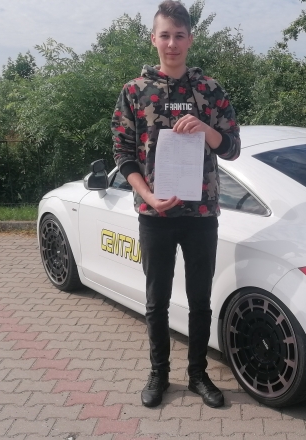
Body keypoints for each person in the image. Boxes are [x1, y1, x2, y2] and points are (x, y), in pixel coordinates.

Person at [111, 0, 241, 409]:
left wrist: (206, 130)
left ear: (190, 39)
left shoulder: (210, 90)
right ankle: (159, 374)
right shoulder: (135, 91)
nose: (172, 43)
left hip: (201, 214)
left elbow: (232, 148)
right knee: (156, 301)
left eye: (179, 35)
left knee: (200, 300)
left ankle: (198, 374)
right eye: (165, 35)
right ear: (153, 39)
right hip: (156, 215)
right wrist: (147, 196)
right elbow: (123, 154)